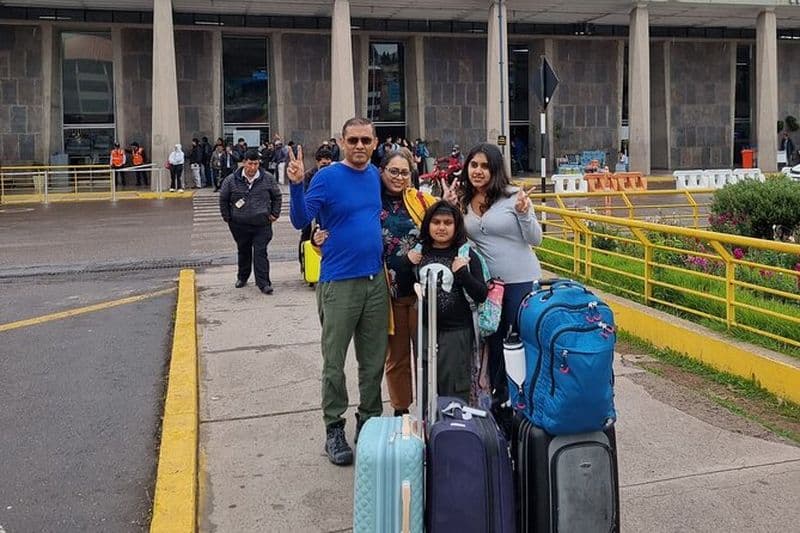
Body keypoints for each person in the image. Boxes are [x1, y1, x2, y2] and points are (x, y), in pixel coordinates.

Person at [287, 117, 389, 467]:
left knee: (373, 361)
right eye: (353, 140)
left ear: (375, 143)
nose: (359, 146)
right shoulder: (328, 177)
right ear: (342, 142)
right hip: (339, 284)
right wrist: (297, 185)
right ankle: (334, 428)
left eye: (365, 140)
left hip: (376, 282)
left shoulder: (375, 176)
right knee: (334, 362)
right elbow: (301, 221)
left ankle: (370, 423)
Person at [447, 142, 543, 426]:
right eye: (473, 165)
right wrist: (449, 207)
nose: (478, 171)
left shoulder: (515, 197)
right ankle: (501, 406)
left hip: (521, 282)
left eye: (484, 166)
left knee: (522, 344)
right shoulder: (463, 199)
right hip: (488, 287)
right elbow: (454, 238)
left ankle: (527, 404)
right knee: (495, 346)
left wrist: (525, 213)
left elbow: (535, 239)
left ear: (495, 169)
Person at [407, 200, 487, 402]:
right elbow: (405, 285)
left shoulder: (466, 254)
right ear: (428, 225)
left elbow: (481, 294)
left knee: (454, 388)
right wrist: (406, 262)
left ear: (456, 226)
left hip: (456, 332)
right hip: (425, 330)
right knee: (425, 385)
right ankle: (428, 428)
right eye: (436, 222)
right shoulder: (420, 252)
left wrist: (463, 273)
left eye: (447, 222)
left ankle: (452, 430)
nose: (441, 227)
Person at [377, 149, 435, 415]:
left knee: (426, 353)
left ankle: (429, 405)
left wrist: (420, 249)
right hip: (389, 294)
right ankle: (401, 409)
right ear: (382, 171)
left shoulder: (421, 200)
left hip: (422, 292)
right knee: (397, 356)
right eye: (393, 171)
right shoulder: (371, 201)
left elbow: (442, 226)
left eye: (404, 172)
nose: (399, 177)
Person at [219, 149, 282, 294]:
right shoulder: (231, 180)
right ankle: (242, 276)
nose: (253, 167)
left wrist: (274, 213)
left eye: (256, 164)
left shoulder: (267, 178)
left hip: (262, 223)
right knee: (243, 251)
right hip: (239, 223)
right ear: (244, 163)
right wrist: (227, 217)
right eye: (250, 164)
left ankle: (264, 283)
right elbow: (223, 199)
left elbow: (277, 197)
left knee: (260, 252)